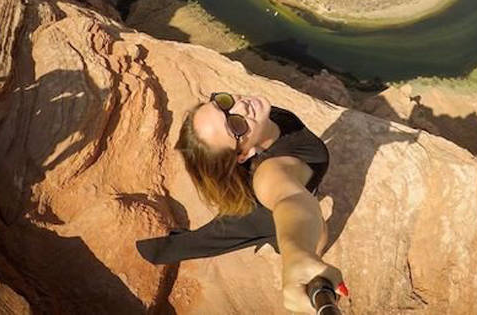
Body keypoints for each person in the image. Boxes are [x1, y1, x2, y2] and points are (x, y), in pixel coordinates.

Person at [136, 92, 347, 313]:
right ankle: (158, 251)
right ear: (244, 155)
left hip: (279, 195)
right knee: (315, 231)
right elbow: (290, 199)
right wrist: (298, 254)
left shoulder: (264, 117)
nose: (241, 108)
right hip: (264, 214)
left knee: (221, 233)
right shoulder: (270, 174)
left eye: (223, 103)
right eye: (236, 126)